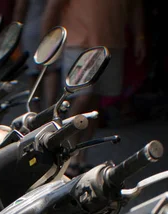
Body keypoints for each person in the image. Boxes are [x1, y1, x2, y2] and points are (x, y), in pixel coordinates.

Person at [41, 0, 146, 174]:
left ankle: (81, 156)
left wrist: (139, 37)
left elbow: (135, 7)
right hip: (80, 43)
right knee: (83, 97)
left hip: (113, 43)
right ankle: (68, 152)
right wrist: (48, 46)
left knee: (96, 102)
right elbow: (53, 7)